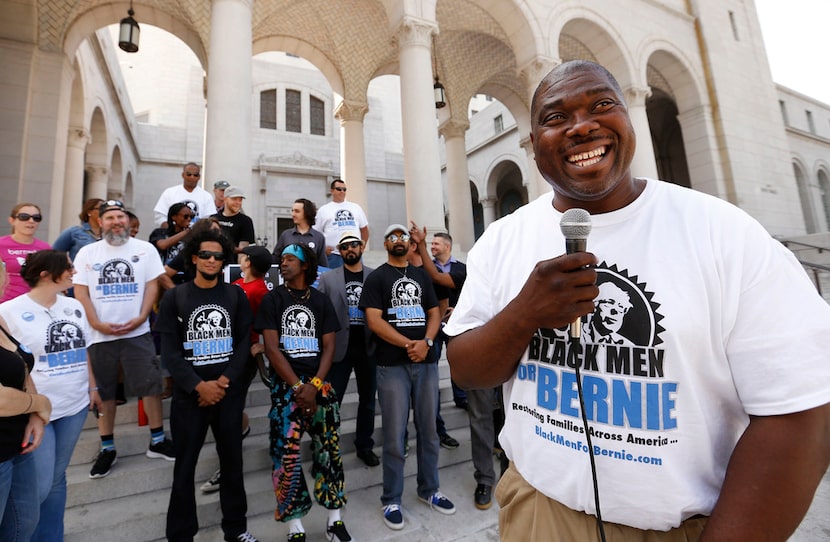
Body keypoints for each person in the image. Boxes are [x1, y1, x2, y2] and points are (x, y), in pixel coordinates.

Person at [444, 60, 830, 541]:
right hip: (542, 515)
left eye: (601, 105)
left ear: (629, 119)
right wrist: (526, 313)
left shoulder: (724, 234)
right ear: (532, 141)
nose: (582, 126)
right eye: (556, 116)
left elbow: (800, 411)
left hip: (690, 527)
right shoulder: (501, 241)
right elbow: (466, 369)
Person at [155, 228, 259, 542]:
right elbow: (169, 351)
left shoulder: (235, 294)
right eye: (205, 255)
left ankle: (236, 529)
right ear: (194, 258)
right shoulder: (175, 296)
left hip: (228, 394)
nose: (211, 260)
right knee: (184, 468)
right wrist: (199, 386)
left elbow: (244, 343)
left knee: (232, 464)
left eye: (217, 255)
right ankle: (181, 534)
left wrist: (224, 381)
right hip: (191, 397)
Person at [359, 224, 455, 531]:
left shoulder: (421, 276)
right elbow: (373, 321)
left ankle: (429, 489)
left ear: (409, 243)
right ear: (385, 243)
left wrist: (426, 343)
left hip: (424, 365)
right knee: (394, 435)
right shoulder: (376, 278)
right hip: (392, 367)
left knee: (428, 430)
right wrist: (408, 345)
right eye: (393, 237)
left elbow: (434, 312)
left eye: (403, 236)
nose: (399, 240)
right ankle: (392, 498)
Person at [0, 250, 100, 541]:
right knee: (40, 486)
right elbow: (16, 362)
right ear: (46, 274)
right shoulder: (9, 311)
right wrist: (34, 405)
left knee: (57, 480)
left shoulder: (75, 306)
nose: (74, 272)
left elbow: (84, 351)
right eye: (67, 267)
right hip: (35, 413)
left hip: (75, 405)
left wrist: (92, 387)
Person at [255, 244, 351, 542]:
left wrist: (315, 386)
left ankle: (334, 521)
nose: (282, 264)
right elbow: (271, 348)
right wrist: (298, 387)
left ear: (305, 265)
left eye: (289, 259)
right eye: (281, 259)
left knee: (330, 452)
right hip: (287, 390)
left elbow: (330, 347)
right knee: (286, 457)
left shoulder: (321, 301)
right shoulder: (273, 300)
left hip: (320, 387)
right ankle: (294, 526)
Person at [73, 199, 175, 479]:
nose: (116, 222)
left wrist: (143, 316)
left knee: (150, 386)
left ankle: (157, 440)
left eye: (121, 217)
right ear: (100, 222)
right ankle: (107, 447)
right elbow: (80, 291)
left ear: (128, 221)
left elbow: (152, 285)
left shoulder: (145, 250)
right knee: (105, 393)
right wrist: (94, 322)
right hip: (99, 334)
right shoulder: (87, 253)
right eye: (110, 218)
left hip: (137, 332)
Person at [409, 224, 499, 510]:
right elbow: (437, 282)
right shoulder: (467, 274)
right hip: (479, 354)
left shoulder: (507, 277)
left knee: (505, 415)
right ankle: (485, 478)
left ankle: (512, 468)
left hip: (510, 355)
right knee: (481, 416)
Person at [199, 245, 271, 495]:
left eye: (242, 256)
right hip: (225, 352)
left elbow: (269, 321)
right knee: (227, 408)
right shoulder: (238, 282)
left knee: (227, 408)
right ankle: (241, 427)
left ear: (248, 261)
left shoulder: (260, 290)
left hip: (245, 356)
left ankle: (227, 466)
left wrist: (262, 345)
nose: (238, 259)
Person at [317, 231, 379, 467]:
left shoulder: (373, 276)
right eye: (345, 247)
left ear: (362, 247)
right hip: (338, 347)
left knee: (368, 400)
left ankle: (364, 445)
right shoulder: (328, 278)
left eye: (354, 245)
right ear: (339, 251)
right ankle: (324, 451)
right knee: (332, 402)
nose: (350, 249)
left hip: (367, 345)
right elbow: (320, 312)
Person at [0, 259, 52, 542]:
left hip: (17, 445)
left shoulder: (0, 318)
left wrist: (33, 415)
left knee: (23, 526)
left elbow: (20, 363)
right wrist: (40, 404)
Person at [0, 202, 51, 303]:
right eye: (24, 217)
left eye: (36, 217)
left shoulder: (45, 248)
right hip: (4, 306)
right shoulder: (1, 244)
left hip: (34, 306)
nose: (31, 221)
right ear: (12, 220)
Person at [314, 179, 369, 268]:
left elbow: (364, 230)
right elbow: (316, 234)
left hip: (354, 254)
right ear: (332, 191)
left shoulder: (356, 207)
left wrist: (361, 248)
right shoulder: (323, 210)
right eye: (339, 189)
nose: (342, 192)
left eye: (344, 189)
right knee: (333, 281)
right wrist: (323, 249)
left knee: (356, 280)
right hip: (333, 256)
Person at [153, 163, 217, 227]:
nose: (192, 177)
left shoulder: (207, 196)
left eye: (195, 175)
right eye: (189, 174)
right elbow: (160, 216)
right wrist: (170, 231)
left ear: (199, 177)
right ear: (183, 175)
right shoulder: (169, 193)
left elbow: (210, 220)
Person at [273, 198, 327, 266]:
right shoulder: (286, 235)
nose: (293, 214)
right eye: (292, 211)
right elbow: (275, 259)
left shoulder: (319, 237)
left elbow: (322, 264)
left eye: (297, 211)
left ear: (307, 213)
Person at [211, 186, 255, 255]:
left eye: (240, 200)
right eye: (234, 199)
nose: (238, 203)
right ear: (225, 199)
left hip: (233, 263)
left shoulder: (245, 221)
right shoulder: (213, 218)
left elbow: (243, 249)